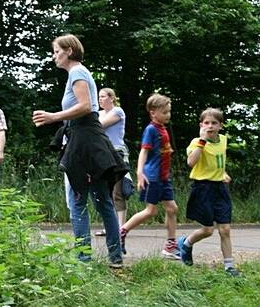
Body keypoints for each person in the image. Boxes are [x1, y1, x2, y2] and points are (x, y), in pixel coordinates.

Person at [32, 34, 128, 267]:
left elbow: (85, 106)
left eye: (56, 51)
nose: (54, 55)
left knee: (79, 201)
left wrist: (54, 116)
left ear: (69, 51)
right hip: (87, 138)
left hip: (85, 139)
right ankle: (114, 258)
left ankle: (83, 260)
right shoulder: (78, 73)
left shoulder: (77, 72)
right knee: (102, 200)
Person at [177, 108, 240, 276]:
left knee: (225, 229)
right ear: (201, 125)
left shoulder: (223, 140)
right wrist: (202, 141)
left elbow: (219, 161)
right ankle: (186, 244)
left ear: (221, 126)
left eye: (214, 123)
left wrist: (223, 173)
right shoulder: (196, 142)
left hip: (220, 188)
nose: (210, 126)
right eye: (206, 123)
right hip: (203, 188)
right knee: (207, 230)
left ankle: (229, 267)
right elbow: (191, 162)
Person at [120, 93, 179, 259]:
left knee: (172, 208)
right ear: (153, 112)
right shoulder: (151, 129)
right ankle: (121, 232)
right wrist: (140, 173)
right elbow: (144, 151)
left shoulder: (162, 128)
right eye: (165, 112)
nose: (168, 115)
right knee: (151, 211)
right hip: (152, 177)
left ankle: (170, 245)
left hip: (163, 177)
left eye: (169, 111)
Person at [95, 87, 131, 237]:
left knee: (118, 192)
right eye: (99, 97)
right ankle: (109, 226)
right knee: (105, 191)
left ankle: (121, 228)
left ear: (112, 98)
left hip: (117, 153)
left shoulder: (118, 111)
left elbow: (99, 126)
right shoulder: (98, 113)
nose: (100, 99)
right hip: (103, 154)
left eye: (103, 96)